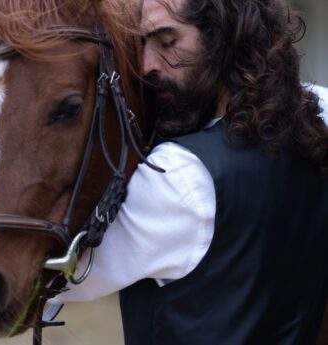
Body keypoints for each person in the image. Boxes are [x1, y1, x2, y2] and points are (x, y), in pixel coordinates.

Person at [51, 0, 328, 344]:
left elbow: (45, 279)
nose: (146, 66)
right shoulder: (318, 123)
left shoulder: (177, 176)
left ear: (225, 38)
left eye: (167, 42)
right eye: (142, 46)